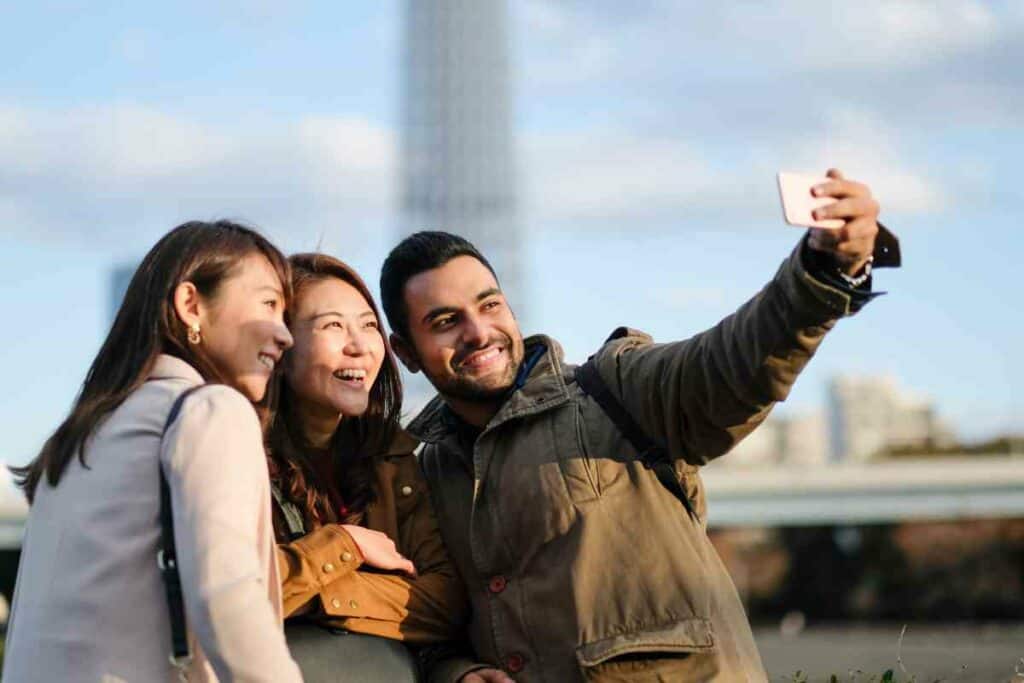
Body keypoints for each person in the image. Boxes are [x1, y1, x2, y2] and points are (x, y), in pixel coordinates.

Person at [379, 170, 900, 682]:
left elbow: (729, 362)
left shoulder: (614, 390)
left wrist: (822, 271)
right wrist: (458, 673)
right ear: (404, 353)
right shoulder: (419, 482)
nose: (479, 332)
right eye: (446, 322)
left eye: (489, 304)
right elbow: (426, 630)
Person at [3, 220, 302, 682]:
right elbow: (228, 595)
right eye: (268, 304)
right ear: (190, 305)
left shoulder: (79, 436)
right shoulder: (210, 409)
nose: (285, 335)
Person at [267, 253, 473, 681]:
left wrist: (308, 595)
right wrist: (346, 545)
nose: (360, 345)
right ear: (281, 348)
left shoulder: (392, 460)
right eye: (333, 326)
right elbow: (225, 593)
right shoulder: (236, 456)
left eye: (368, 325)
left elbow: (442, 603)